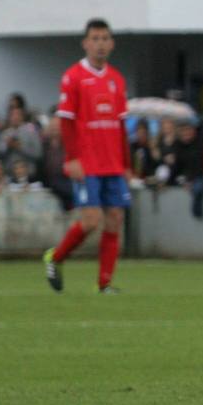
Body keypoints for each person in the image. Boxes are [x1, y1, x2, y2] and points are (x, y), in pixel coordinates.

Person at [43, 19, 132, 294]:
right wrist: (72, 158)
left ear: (112, 43)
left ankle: (104, 284)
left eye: (105, 38)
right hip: (88, 162)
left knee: (115, 219)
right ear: (85, 43)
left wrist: (127, 165)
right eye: (95, 38)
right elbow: (67, 121)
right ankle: (55, 258)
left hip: (113, 163)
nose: (100, 43)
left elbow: (120, 125)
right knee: (92, 221)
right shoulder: (73, 77)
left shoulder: (117, 79)